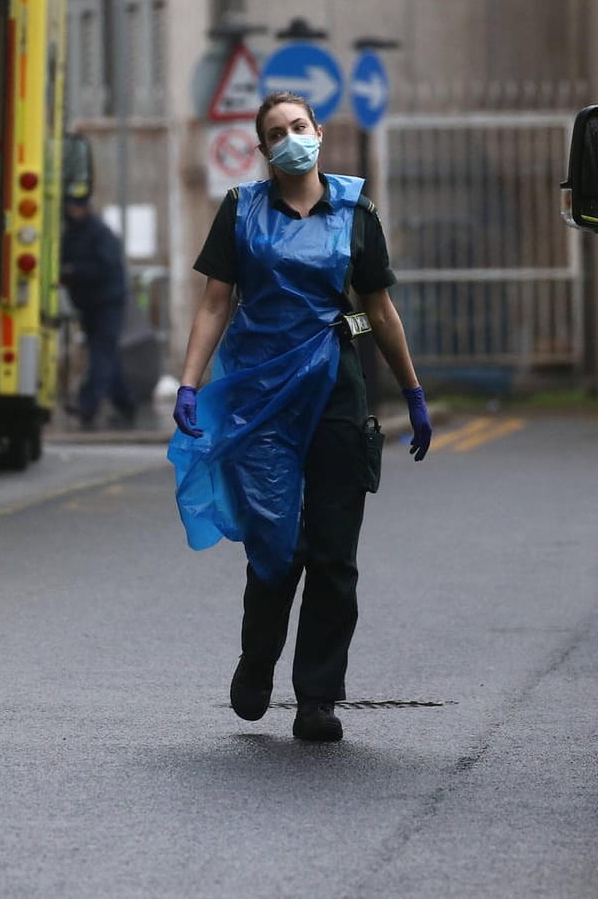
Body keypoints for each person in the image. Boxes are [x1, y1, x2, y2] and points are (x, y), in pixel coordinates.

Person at [167, 91, 434, 743]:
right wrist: (191, 382)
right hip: (262, 401)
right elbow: (215, 303)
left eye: (298, 126)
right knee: (277, 547)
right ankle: (258, 659)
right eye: (276, 132)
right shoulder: (241, 211)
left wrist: (413, 390)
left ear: (319, 131)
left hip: (337, 394)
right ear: (263, 151)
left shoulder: (356, 214)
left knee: (334, 553)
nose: (291, 138)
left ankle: (318, 696)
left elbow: (380, 309)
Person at [60, 194, 136, 429]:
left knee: (100, 353)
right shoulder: (74, 232)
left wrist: (72, 272)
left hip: (107, 302)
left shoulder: (98, 233)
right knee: (106, 354)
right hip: (91, 304)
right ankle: (125, 404)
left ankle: (88, 405)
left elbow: (103, 268)